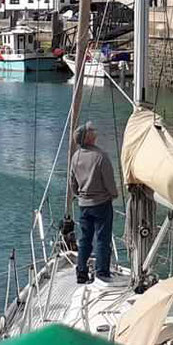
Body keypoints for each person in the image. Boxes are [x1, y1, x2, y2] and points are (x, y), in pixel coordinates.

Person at [69, 121, 117, 285]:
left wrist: (79, 195)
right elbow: (109, 181)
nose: (94, 132)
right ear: (88, 138)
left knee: (85, 239)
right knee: (103, 238)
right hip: (101, 203)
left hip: (84, 204)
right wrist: (114, 194)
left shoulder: (75, 157)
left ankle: (81, 272)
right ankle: (101, 272)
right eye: (91, 131)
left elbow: (72, 183)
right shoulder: (100, 156)